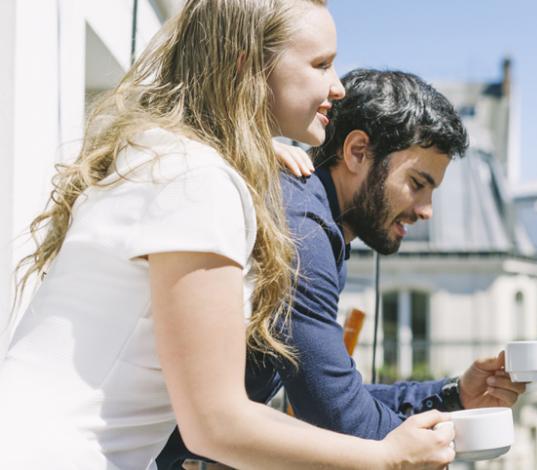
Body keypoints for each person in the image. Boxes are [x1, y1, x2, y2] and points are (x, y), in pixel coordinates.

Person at [0, 1, 455, 469]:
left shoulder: (170, 159)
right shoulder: (195, 180)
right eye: (321, 64)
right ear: (249, 66)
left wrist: (250, 151)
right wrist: (383, 459)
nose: (337, 86)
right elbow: (217, 424)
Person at [157, 69, 527, 468]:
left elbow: (334, 393)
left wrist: (454, 395)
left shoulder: (317, 225)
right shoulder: (303, 234)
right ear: (357, 152)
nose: (426, 211)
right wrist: (456, 432)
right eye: (417, 183)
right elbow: (344, 420)